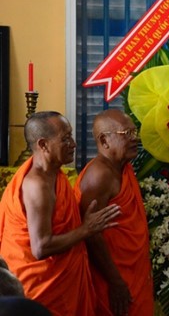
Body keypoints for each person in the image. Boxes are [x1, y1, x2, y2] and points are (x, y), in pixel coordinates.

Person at [0, 111, 121, 316]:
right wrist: (86, 229)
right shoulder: (37, 185)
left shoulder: (55, 174)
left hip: (62, 282)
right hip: (40, 288)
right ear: (43, 144)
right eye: (65, 139)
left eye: (71, 136)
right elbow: (41, 247)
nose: (73, 144)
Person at [74, 109, 154, 316]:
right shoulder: (99, 175)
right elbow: (91, 234)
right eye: (126, 134)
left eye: (134, 132)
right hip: (111, 276)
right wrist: (115, 281)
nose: (134, 138)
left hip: (131, 270)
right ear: (104, 140)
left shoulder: (122, 168)